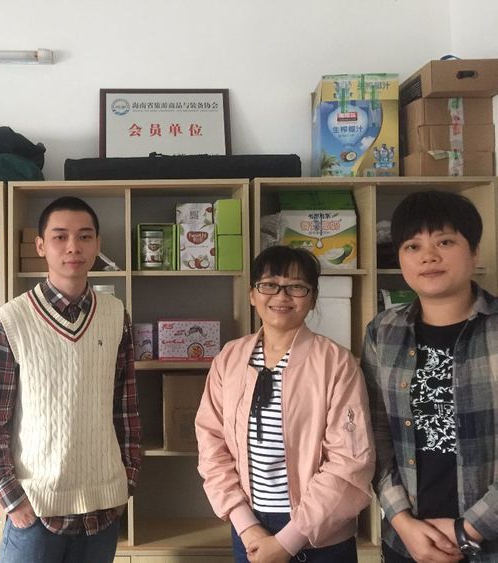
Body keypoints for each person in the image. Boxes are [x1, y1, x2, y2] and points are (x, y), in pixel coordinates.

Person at [0, 196, 142, 563]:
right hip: (36, 514)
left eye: (84, 237)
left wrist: (126, 480)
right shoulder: (12, 320)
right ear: (40, 246)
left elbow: (125, 410)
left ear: (97, 244)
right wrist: (13, 501)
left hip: (102, 511)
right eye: (60, 237)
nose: (73, 247)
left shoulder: (116, 315)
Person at [195, 245, 375, 563]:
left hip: (321, 536)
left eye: (296, 287)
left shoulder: (336, 363)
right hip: (250, 528)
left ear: (313, 298)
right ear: (252, 294)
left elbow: (350, 461)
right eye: (269, 285)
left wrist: (289, 540)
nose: (281, 296)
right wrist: (245, 524)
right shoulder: (230, 359)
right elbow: (211, 445)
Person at [362, 190, 498, 562]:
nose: (428, 256)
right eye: (413, 246)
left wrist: (468, 530)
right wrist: (402, 521)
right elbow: (375, 436)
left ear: (474, 252)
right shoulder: (383, 331)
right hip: (408, 541)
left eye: (445, 242)